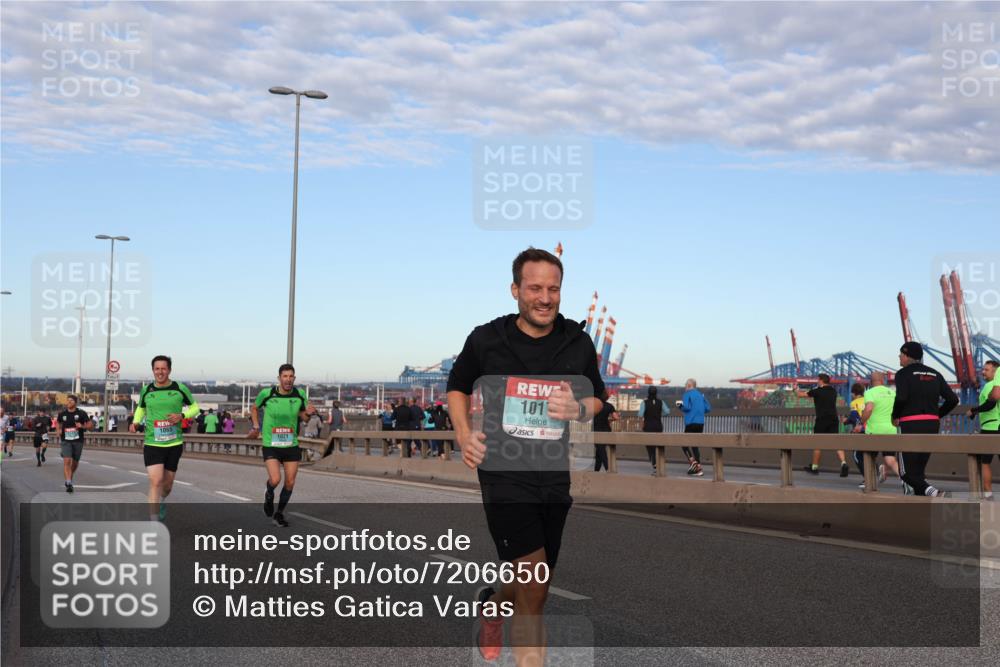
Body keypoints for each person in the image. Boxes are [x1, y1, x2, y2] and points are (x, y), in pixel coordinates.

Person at [447, 247, 604, 665]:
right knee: (535, 589)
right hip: (503, 473)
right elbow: (458, 385)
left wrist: (579, 408)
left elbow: (599, 400)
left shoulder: (577, 342)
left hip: (553, 475)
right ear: (515, 289)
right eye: (535, 288)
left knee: (531, 580)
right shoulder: (487, 339)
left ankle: (492, 606)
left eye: (553, 289)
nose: (545, 297)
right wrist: (464, 435)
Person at [130, 355, 201, 520]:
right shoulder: (147, 390)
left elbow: (195, 408)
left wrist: (181, 415)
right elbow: (141, 409)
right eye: (157, 369)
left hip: (174, 443)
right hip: (152, 442)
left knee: (167, 486)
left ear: (169, 370)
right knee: (155, 481)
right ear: (153, 370)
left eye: (163, 368)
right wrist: (135, 422)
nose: (160, 372)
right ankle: (153, 522)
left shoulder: (179, 388)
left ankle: (162, 500)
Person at [891, 341, 959, 497]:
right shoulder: (935, 373)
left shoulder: (903, 374)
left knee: (905, 472)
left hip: (910, 423)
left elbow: (901, 398)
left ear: (907, 356)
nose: (899, 357)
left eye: (901, 354)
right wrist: (937, 415)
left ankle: (933, 492)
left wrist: (895, 416)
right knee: (918, 470)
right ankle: (920, 508)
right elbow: (953, 399)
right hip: (931, 425)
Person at [249, 364, 308, 528]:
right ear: (279, 378)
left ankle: (279, 514)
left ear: (294, 378)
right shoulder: (267, 394)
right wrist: (255, 426)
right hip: (271, 443)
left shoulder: (300, 394)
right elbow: (254, 408)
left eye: (291, 376)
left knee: (290, 482)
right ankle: (269, 493)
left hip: (291, 443)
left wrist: (309, 413)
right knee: (275, 479)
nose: (288, 379)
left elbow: (304, 417)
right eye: (285, 376)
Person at [798, 373, 849, 476]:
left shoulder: (817, 391)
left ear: (821, 380)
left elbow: (801, 395)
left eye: (818, 380)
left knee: (818, 444)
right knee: (836, 443)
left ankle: (815, 468)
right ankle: (843, 463)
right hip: (834, 419)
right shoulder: (833, 391)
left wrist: (795, 389)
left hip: (822, 419)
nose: (817, 381)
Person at [860, 371, 901, 484]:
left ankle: (869, 483)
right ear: (883, 380)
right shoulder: (892, 392)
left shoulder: (870, 392)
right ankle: (905, 482)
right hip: (891, 430)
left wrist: (861, 421)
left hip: (874, 431)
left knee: (868, 458)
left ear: (871, 381)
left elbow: (868, 409)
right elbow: (897, 412)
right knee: (890, 458)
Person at [969, 360, 1000, 500]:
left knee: (985, 462)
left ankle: (988, 495)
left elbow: (990, 404)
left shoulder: (990, 386)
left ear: (995, 372)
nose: (983, 372)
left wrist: (974, 411)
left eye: (986, 370)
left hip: (990, 428)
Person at [55, 395, 93, 492]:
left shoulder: (81, 413)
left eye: (71, 401)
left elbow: (90, 425)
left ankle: (70, 477)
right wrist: (58, 430)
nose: (68, 402)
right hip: (66, 440)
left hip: (78, 441)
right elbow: (58, 423)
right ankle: (68, 482)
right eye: (67, 401)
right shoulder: (62, 414)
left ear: (75, 402)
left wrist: (82, 426)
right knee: (67, 461)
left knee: (75, 463)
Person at [679, 378, 711, 476]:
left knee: (684, 444)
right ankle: (699, 467)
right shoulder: (700, 395)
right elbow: (708, 408)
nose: (685, 387)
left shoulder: (687, 394)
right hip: (700, 423)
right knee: (695, 446)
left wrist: (679, 405)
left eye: (685, 385)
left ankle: (694, 464)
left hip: (691, 422)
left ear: (689, 386)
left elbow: (687, 407)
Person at [638, 386, 669, 474]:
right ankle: (660, 462)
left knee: (650, 447)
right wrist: (659, 414)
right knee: (659, 445)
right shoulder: (661, 402)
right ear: (656, 393)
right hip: (658, 426)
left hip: (648, 427)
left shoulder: (644, 402)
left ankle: (655, 465)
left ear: (648, 392)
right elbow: (667, 412)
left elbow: (640, 414)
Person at [592, 390, 618, 472]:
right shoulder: (610, 406)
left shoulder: (595, 406)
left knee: (601, 450)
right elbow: (616, 417)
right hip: (606, 430)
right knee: (599, 450)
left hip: (596, 430)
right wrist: (609, 420)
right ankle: (596, 470)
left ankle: (608, 468)